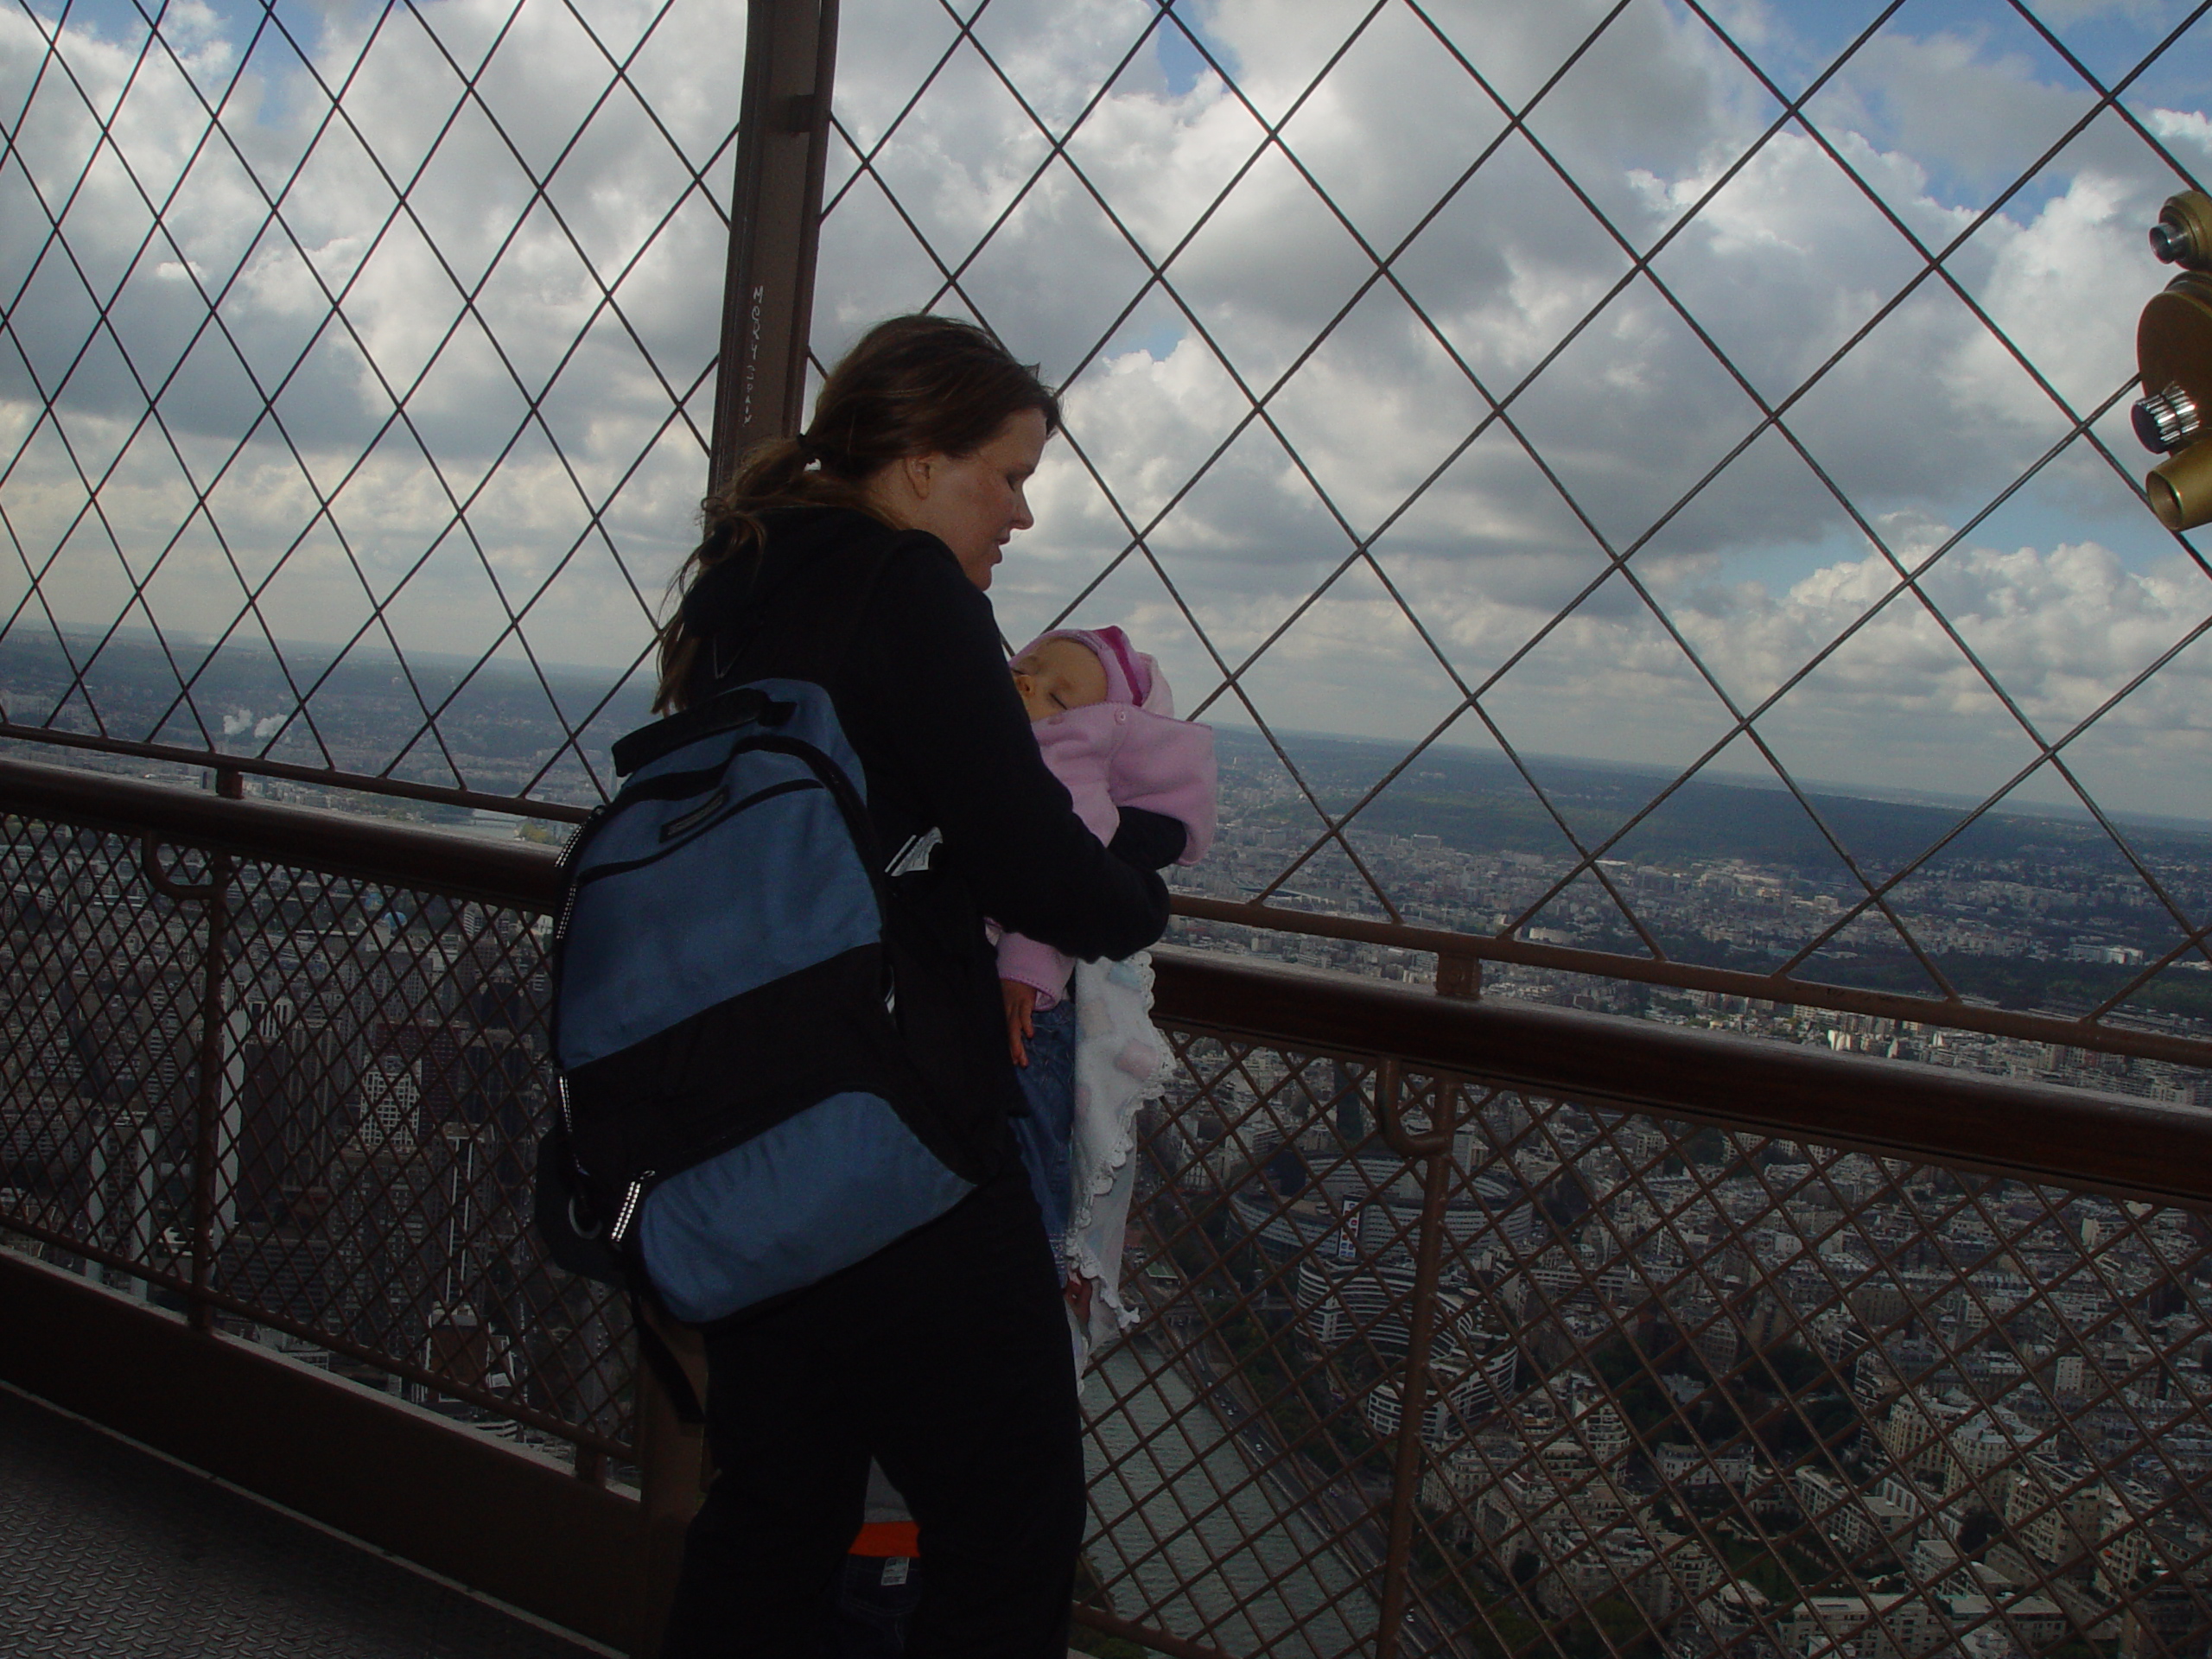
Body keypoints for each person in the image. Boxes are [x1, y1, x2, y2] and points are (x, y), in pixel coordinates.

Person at [650, 315, 1177, 1658]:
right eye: (1006, 473)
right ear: (921, 459)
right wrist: (1142, 878)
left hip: (746, 1104)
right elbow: (1026, 852)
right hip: (898, 1118)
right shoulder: (908, 588)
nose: (1023, 510)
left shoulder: (747, 578)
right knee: (1010, 1516)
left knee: (779, 1495)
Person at [995, 626, 1216, 1356]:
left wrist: (1026, 964)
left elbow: (1058, 867)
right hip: (1042, 995)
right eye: (1025, 669)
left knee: (1027, 1133)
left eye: (1058, 695)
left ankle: (1042, 1265)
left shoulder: (1062, 759)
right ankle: (1051, 1267)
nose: (1028, 686)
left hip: (1030, 993)